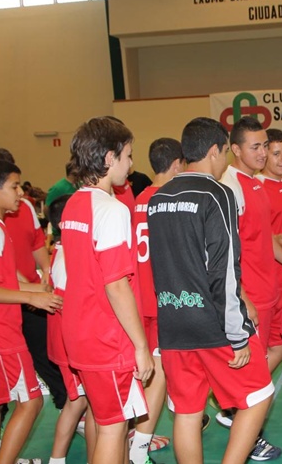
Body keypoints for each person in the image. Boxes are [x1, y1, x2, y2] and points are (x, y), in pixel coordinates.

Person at [147, 117, 273, 464]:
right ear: (215, 151)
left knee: (187, 411)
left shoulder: (159, 198)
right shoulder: (217, 193)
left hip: (172, 323)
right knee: (259, 396)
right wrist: (239, 333)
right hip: (212, 323)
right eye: (225, 154)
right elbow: (224, 269)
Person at [60, 117, 153, 464]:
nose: (131, 164)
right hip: (107, 338)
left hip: (80, 332)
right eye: (128, 156)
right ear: (110, 158)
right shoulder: (111, 210)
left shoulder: (74, 203)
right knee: (114, 427)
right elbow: (115, 285)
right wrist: (140, 346)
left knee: (104, 419)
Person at [0, 159, 62, 464]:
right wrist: (32, 298)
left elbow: (2, 279)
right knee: (31, 402)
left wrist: (40, 290)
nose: (20, 193)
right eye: (14, 186)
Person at [0, 146, 67, 411]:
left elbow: (36, 244)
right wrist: (30, 293)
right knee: (13, 400)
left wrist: (45, 278)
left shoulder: (15, 212)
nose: (19, 192)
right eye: (13, 185)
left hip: (25, 293)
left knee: (45, 353)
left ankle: (66, 401)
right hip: (5, 305)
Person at [218, 117, 282, 461]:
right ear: (235, 149)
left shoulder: (256, 183)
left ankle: (232, 410)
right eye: (255, 147)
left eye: (265, 146)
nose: (263, 153)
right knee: (253, 380)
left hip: (269, 291)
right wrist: (242, 298)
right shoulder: (229, 187)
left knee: (277, 351)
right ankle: (248, 434)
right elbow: (226, 250)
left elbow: (262, 238)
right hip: (251, 297)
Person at [130, 138, 185, 463]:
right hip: (165, 299)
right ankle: (138, 449)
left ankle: (182, 415)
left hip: (141, 297)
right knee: (161, 373)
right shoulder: (170, 199)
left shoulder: (139, 198)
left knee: (156, 370)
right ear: (177, 164)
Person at [45, 194, 90, 464]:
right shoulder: (66, 258)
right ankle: (57, 459)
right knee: (78, 403)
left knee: (87, 403)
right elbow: (70, 305)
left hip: (69, 342)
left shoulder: (63, 250)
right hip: (69, 344)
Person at [255, 129, 282, 378]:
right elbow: (262, 238)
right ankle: (243, 392)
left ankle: (249, 389)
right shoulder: (257, 186)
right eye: (276, 154)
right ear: (264, 154)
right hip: (268, 281)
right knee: (262, 347)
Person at [45, 161, 79, 238]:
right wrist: (54, 223)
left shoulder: (78, 185)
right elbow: (47, 208)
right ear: (73, 173)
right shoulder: (58, 187)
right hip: (59, 232)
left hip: (72, 228)